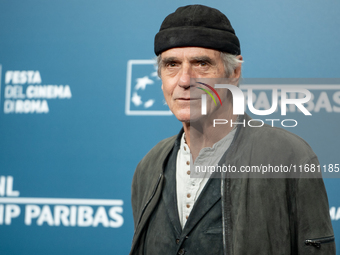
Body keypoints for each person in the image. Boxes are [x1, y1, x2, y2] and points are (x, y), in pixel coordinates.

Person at [130, 4, 335, 255]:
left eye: (201, 63)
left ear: (234, 72)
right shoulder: (149, 166)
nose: (184, 80)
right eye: (172, 64)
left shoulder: (288, 157)